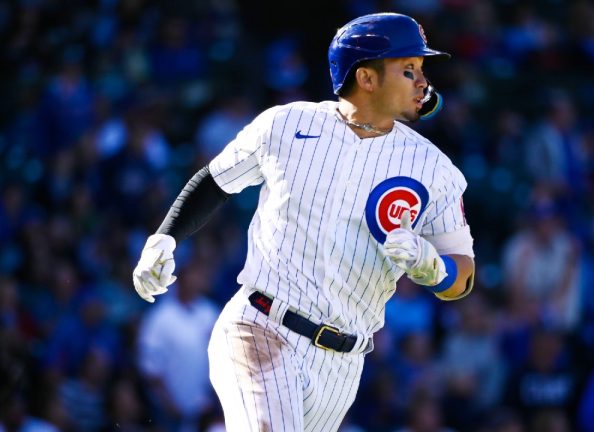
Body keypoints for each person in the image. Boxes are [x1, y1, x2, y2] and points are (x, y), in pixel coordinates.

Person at [131, 12, 475, 431]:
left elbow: (464, 276)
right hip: (261, 327)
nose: (423, 81)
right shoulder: (286, 123)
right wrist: (165, 237)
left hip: (343, 364)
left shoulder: (434, 168)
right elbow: (216, 180)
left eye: (421, 70)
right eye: (408, 69)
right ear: (366, 78)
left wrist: (434, 268)